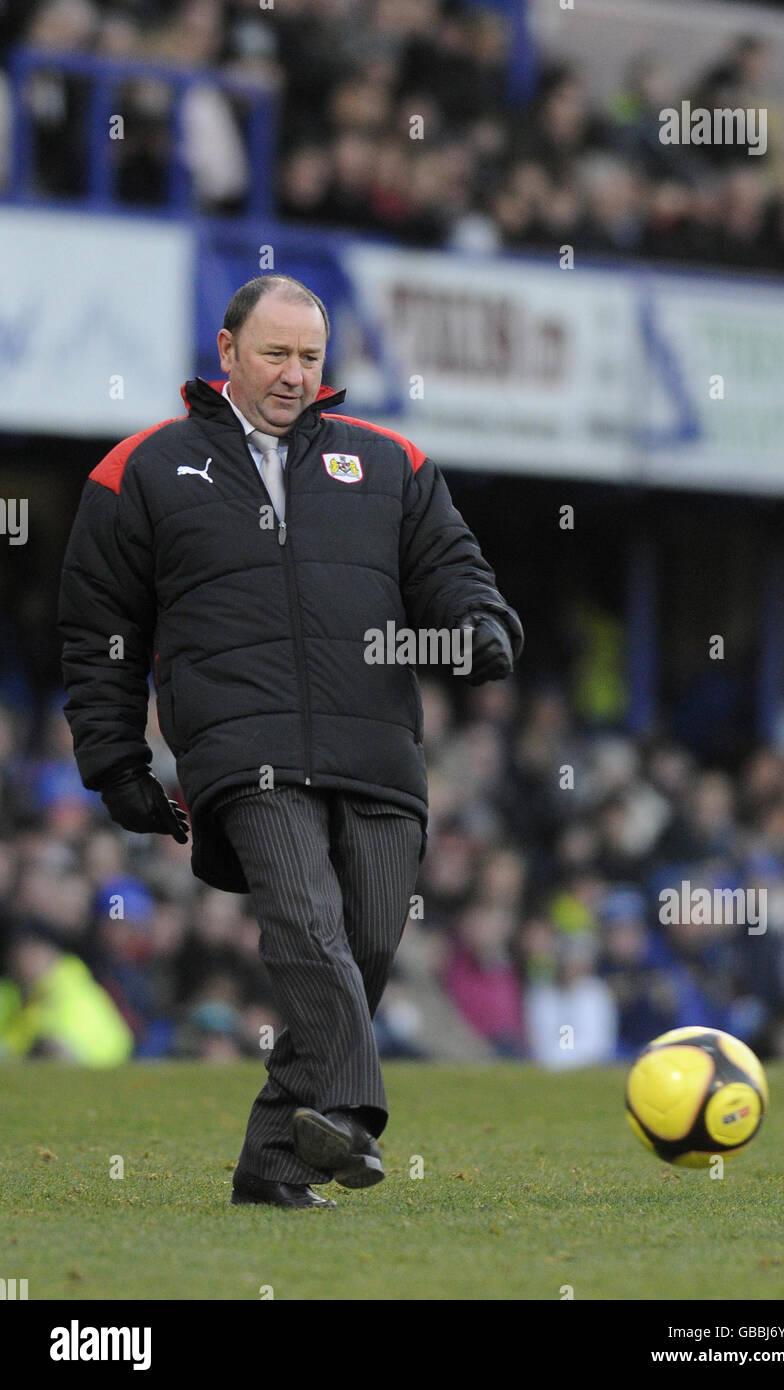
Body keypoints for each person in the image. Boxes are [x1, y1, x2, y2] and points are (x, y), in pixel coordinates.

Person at [58, 273, 523, 1210]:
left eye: (310, 357)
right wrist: (115, 763)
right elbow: (99, 632)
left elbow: (452, 569)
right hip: (242, 752)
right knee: (307, 925)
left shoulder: (390, 461)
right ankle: (352, 1113)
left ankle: (272, 1161)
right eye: (275, 353)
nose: (294, 374)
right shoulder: (138, 469)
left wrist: (480, 624)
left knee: (370, 945)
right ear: (226, 351)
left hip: (380, 752)